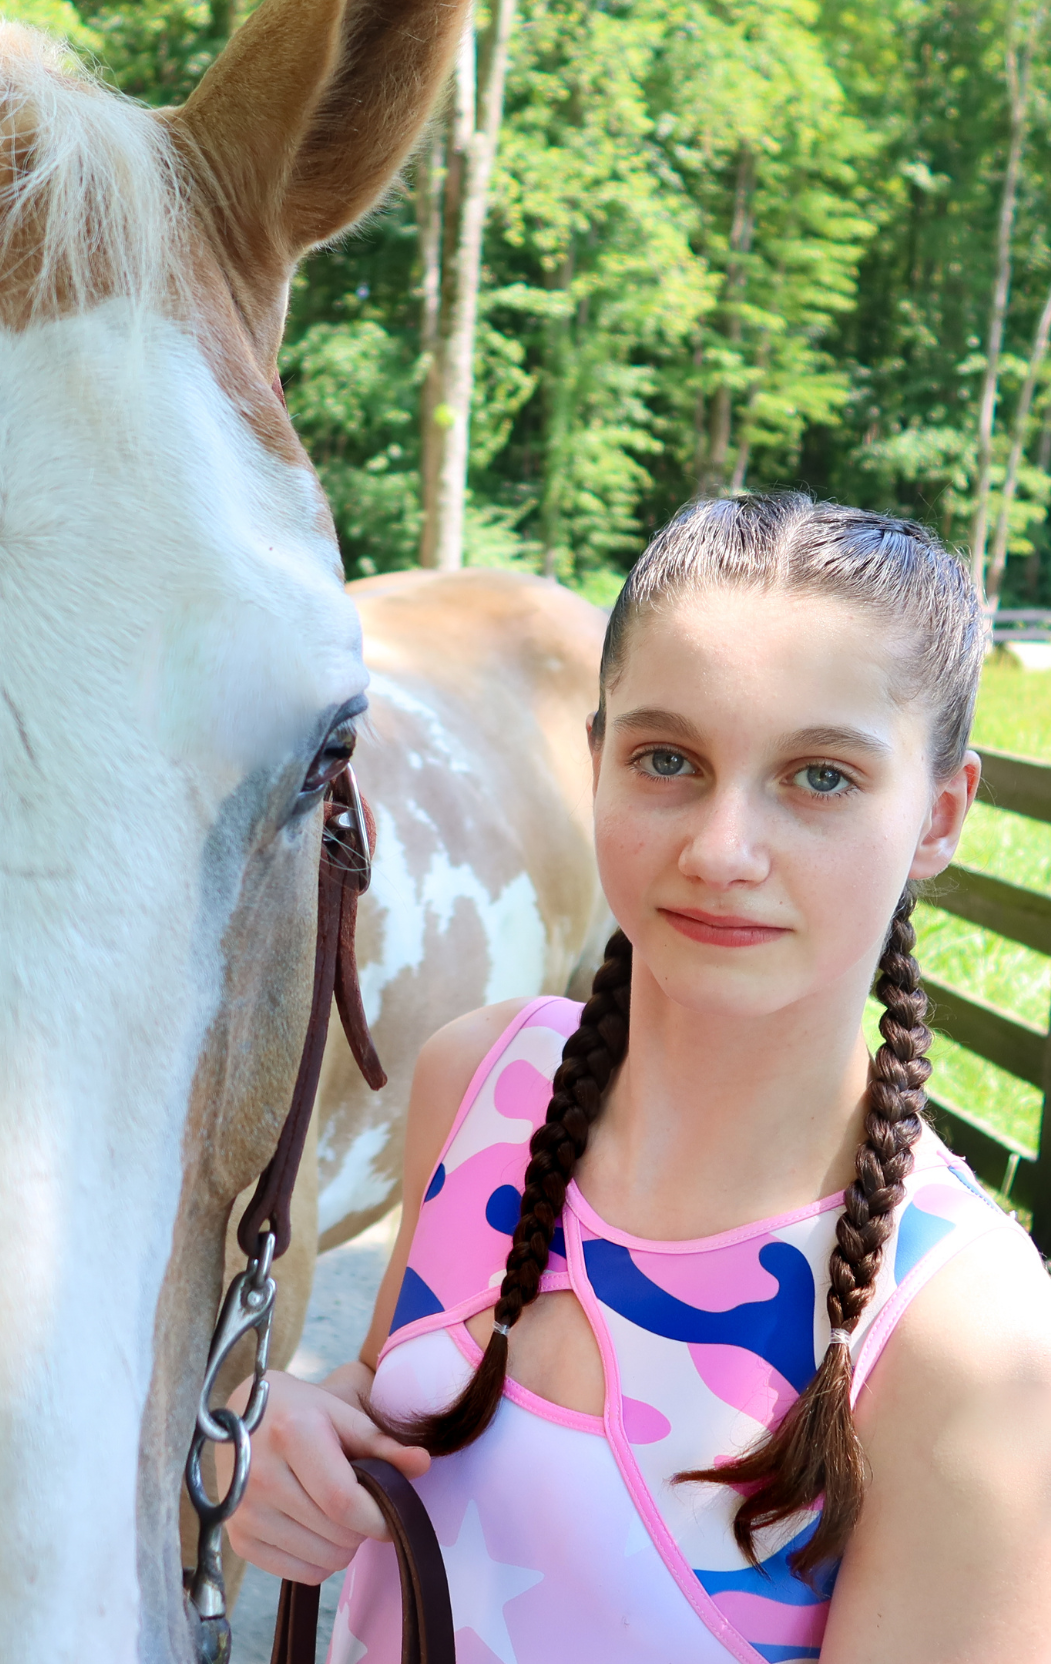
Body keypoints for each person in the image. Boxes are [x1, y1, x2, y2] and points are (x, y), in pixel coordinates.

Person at [225, 495, 1051, 1664]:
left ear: (941, 815)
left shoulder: (968, 1335)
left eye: (820, 777)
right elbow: (389, 1406)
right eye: (668, 758)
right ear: (597, 757)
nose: (720, 849)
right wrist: (291, 1439)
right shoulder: (482, 1083)